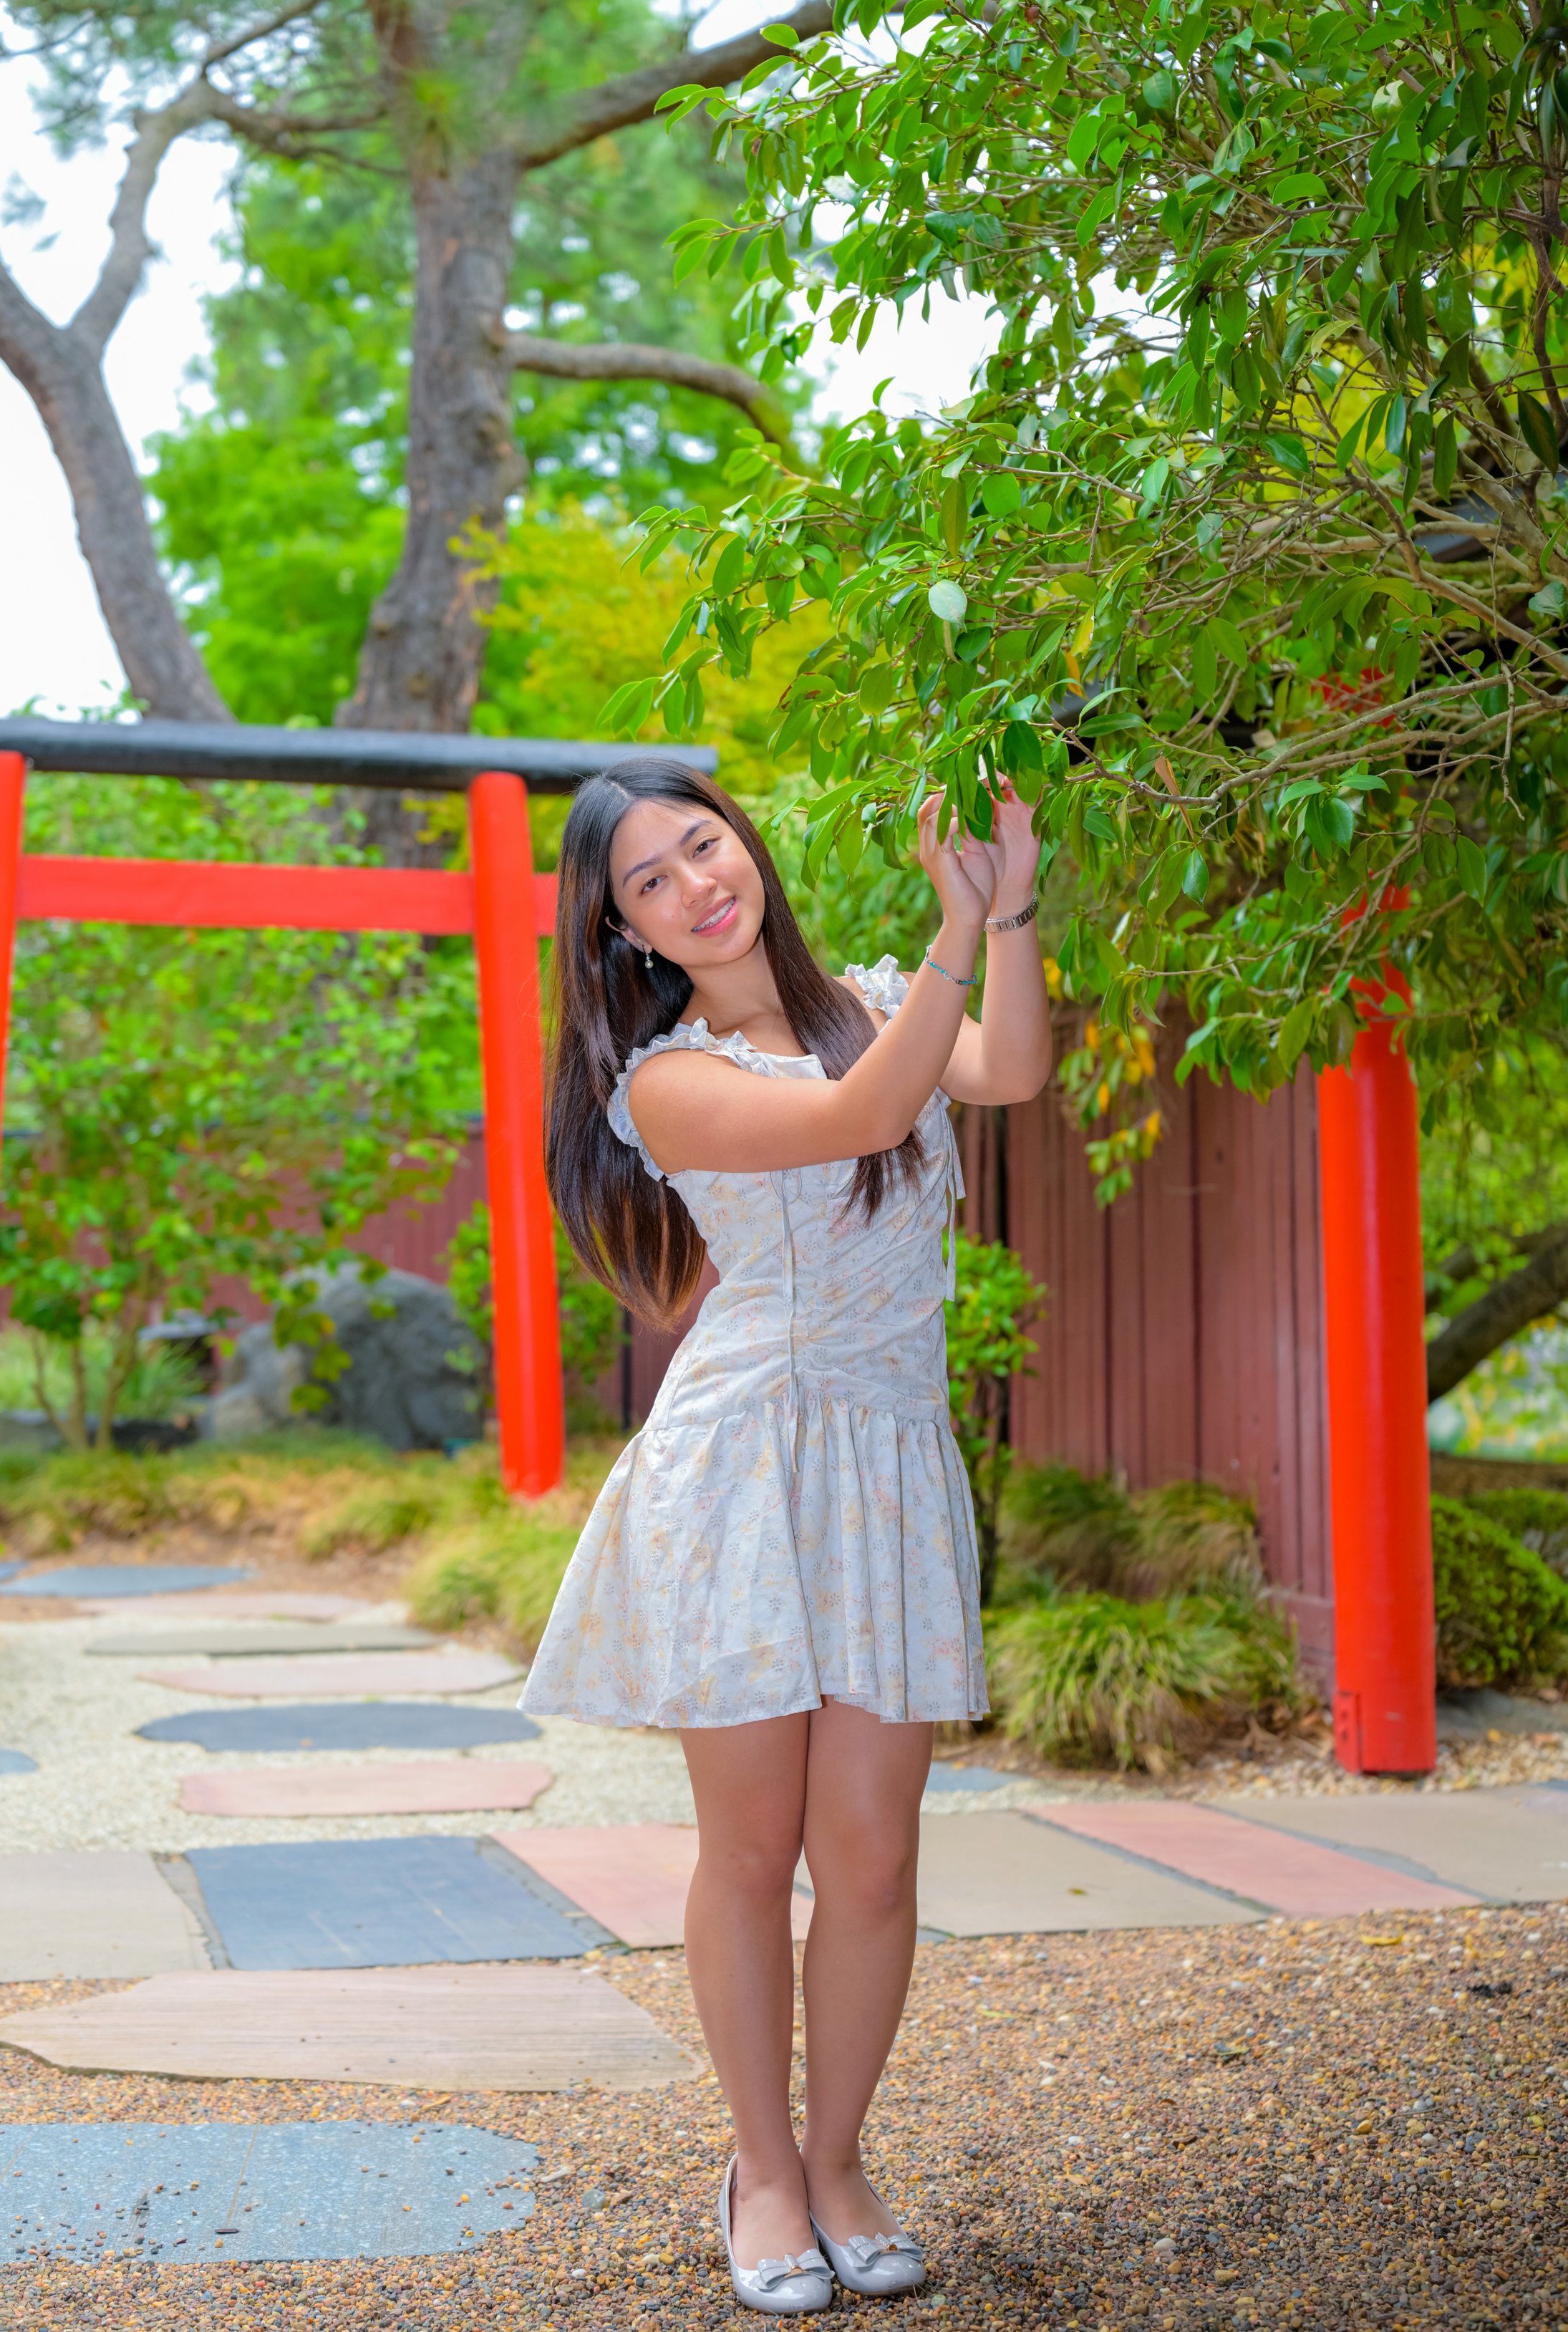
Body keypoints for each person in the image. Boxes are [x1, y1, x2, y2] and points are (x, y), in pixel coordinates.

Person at [522, 757, 1050, 2313]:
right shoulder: (665, 1082)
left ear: (744, 844)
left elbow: (1004, 1068)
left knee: (872, 1858)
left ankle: (837, 2162)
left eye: (705, 842)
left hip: (884, 1466)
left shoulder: (878, 993)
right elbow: (858, 1113)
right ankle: (758, 2171)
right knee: (753, 1852)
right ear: (625, 936)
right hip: (742, 1473)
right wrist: (954, 937)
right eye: (651, 882)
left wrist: (1005, 901)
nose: (699, 881)